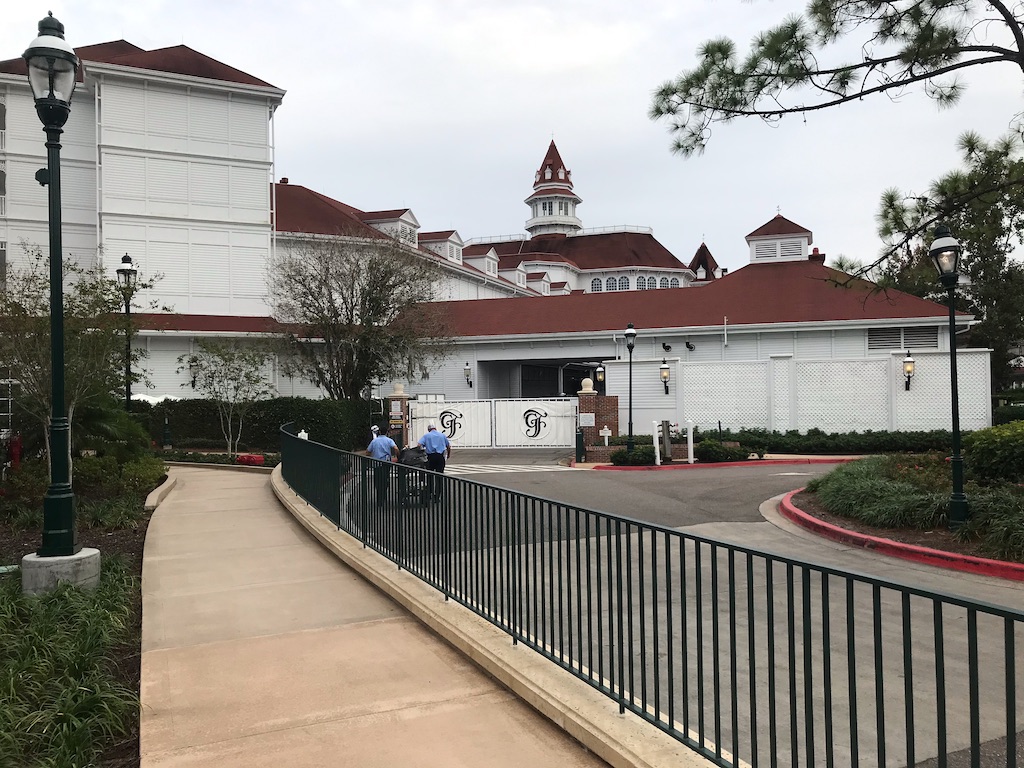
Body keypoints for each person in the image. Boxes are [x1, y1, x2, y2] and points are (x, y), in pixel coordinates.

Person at [418, 422, 451, 503]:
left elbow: (419, 445)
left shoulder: (426, 436)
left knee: (430, 476)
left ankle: (429, 493)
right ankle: (437, 496)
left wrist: (423, 451)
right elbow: (448, 446)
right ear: (435, 428)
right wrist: (448, 455)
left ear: (429, 429)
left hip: (430, 457)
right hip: (440, 457)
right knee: (439, 476)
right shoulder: (442, 435)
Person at [367, 427, 399, 508]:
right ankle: (384, 495)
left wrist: (370, 456)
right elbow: (395, 448)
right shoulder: (389, 440)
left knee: (377, 481)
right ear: (387, 432)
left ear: (379, 432)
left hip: (376, 463)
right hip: (386, 463)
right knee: (385, 479)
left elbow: (368, 451)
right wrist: (398, 456)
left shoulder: (374, 441)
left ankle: (379, 499)